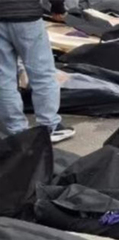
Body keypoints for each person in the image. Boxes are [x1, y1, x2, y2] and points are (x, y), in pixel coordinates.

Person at [0, 0, 75, 143]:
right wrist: (58, 7)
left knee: (4, 78)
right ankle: (49, 125)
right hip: (27, 16)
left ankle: (16, 131)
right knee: (42, 74)